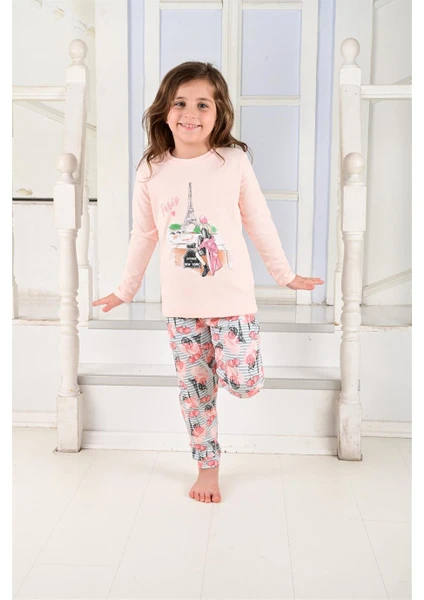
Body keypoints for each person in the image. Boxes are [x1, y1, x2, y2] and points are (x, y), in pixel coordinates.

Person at [92, 61, 324, 504]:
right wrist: (125, 290)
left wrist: (285, 275)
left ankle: (225, 368)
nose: (190, 113)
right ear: (164, 111)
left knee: (244, 383)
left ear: (219, 114)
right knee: (195, 393)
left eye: (203, 104)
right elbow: (144, 234)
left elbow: (258, 221)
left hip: (232, 300)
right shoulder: (151, 169)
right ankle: (208, 469)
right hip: (181, 306)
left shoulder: (232, 162)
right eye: (180, 103)